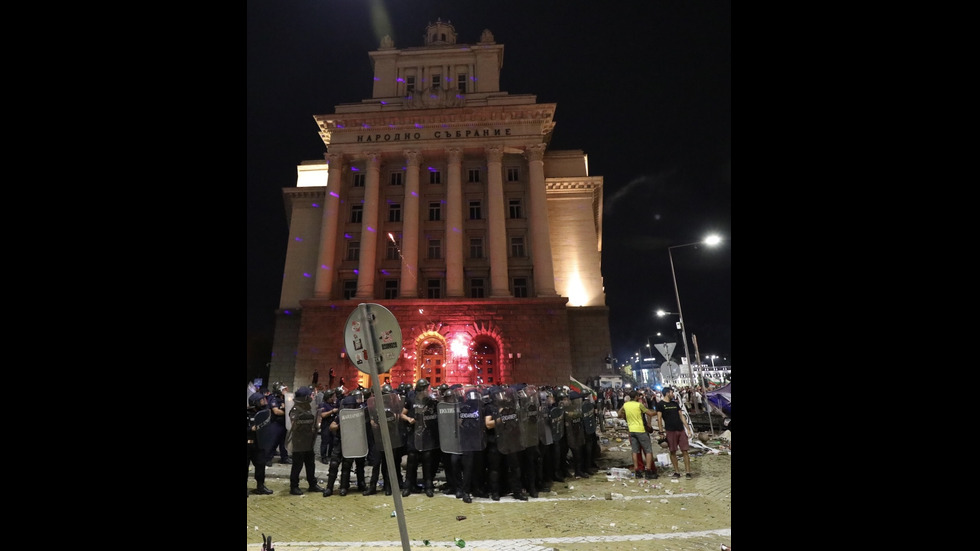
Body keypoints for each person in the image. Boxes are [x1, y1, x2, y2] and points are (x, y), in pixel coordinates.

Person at [286, 386, 325, 494]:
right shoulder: (295, 409)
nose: (312, 397)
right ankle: (294, 486)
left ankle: (312, 484)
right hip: (298, 442)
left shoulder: (309, 408)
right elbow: (294, 426)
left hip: (308, 441)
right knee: (297, 466)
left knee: (310, 464)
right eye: (310, 395)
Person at [618, 390, 658, 479]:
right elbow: (650, 414)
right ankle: (648, 471)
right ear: (636, 396)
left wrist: (626, 416)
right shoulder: (639, 405)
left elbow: (619, 414)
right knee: (648, 450)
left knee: (635, 451)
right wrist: (659, 411)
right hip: (641, 430)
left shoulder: (626, 405)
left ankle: (637, 471)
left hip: (631, 430)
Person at [655, 386, 693, 479]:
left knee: (685, 451)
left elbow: (682, 416)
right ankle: (677, 472)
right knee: (673, 451)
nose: (673, 394)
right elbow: (659, 419)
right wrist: (661, 432)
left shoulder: (675, 403)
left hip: (680, 429)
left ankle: (688, 472)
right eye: (672, 393)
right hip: (670, 430)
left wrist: (687, 429)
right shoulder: (660, 404)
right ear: (667, 393)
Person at [247, 392, 274, 496]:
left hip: (259, 444)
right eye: (261, 401)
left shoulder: (264, 413)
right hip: (248, 444)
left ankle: (260, 486)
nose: (264, 402)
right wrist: (250, 429)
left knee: (260, 465)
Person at [265, 383, 292, 465]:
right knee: (273, 441)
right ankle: (267, 459)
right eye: (283, 389)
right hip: (276, 424)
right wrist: (286, 412)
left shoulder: (284, 398)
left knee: (283, 443)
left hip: (283, 423)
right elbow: (276, 411)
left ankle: (284, 458)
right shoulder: (273, 398)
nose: (285, 391)